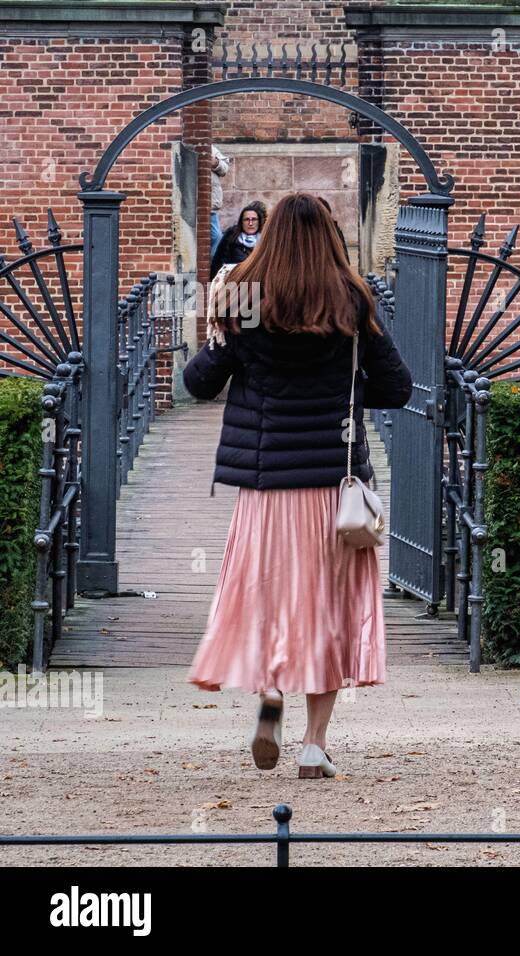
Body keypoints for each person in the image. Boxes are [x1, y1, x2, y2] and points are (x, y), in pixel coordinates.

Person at [183, 193, 413, 779]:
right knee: (329, 610)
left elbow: (199, 383)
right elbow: (397, 387)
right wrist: (345, 388)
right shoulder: (351, 298)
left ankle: (270, 694)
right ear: (331, 237)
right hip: (332, 488)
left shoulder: (243, 299)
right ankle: (314, 745)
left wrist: (222, 340)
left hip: (265, 486)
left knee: (268, 598)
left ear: (272, 236)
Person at [210, 202, 264, 274]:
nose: (250, 223)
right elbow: (218, 262)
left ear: (259, 222)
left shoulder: (265, 240)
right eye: (246, 219)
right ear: (241, 222)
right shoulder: (231, 237)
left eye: (254, 219)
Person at [210, 145, 231, 253]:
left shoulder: (211, 148)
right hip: (191, 203)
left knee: (216, 236)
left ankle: (213, 265)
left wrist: (215, 163)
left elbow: (225, 169)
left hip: (210, 205)